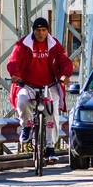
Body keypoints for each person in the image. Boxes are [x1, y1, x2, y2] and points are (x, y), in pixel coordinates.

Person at [8, 17, 75, 152]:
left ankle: (50, 147)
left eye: (44, 30)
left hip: (49, 86)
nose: (41, 33)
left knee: (52, 115)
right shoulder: (23, 44)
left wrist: (65, 74)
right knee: (22, 101)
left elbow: (64, 60)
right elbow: (14, 60)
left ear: (47, 31)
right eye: (38, 30)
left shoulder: (54, 44)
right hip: (28, 85)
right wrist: (15, 74)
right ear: (33, 31)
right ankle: (27, 126)